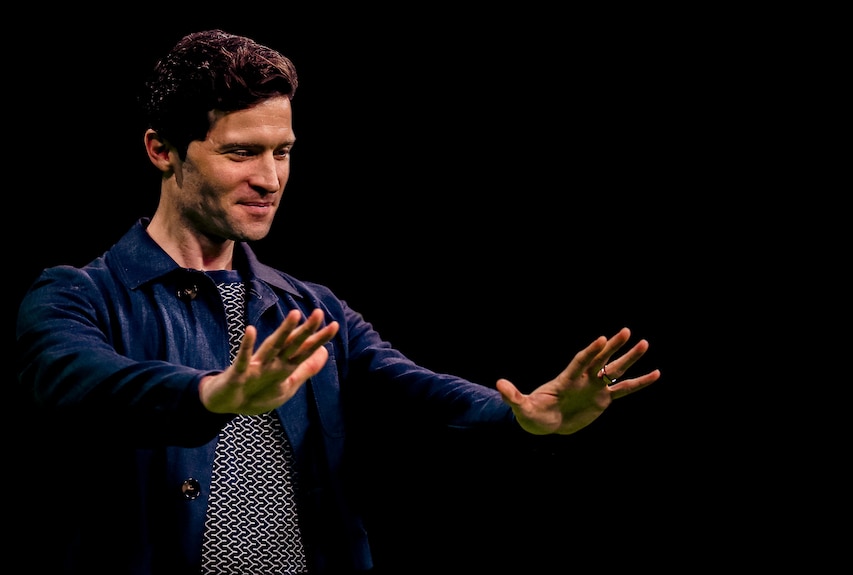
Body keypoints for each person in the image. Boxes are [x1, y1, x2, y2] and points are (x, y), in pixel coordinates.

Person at [14, 29, 661, 575]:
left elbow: (413, 391)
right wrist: (212, 393)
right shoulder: (78, 294)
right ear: (162, 149)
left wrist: (522, 415)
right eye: (241, 152)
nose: (268, 178)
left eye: (282, 152)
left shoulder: (307, 305)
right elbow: (80, 382)